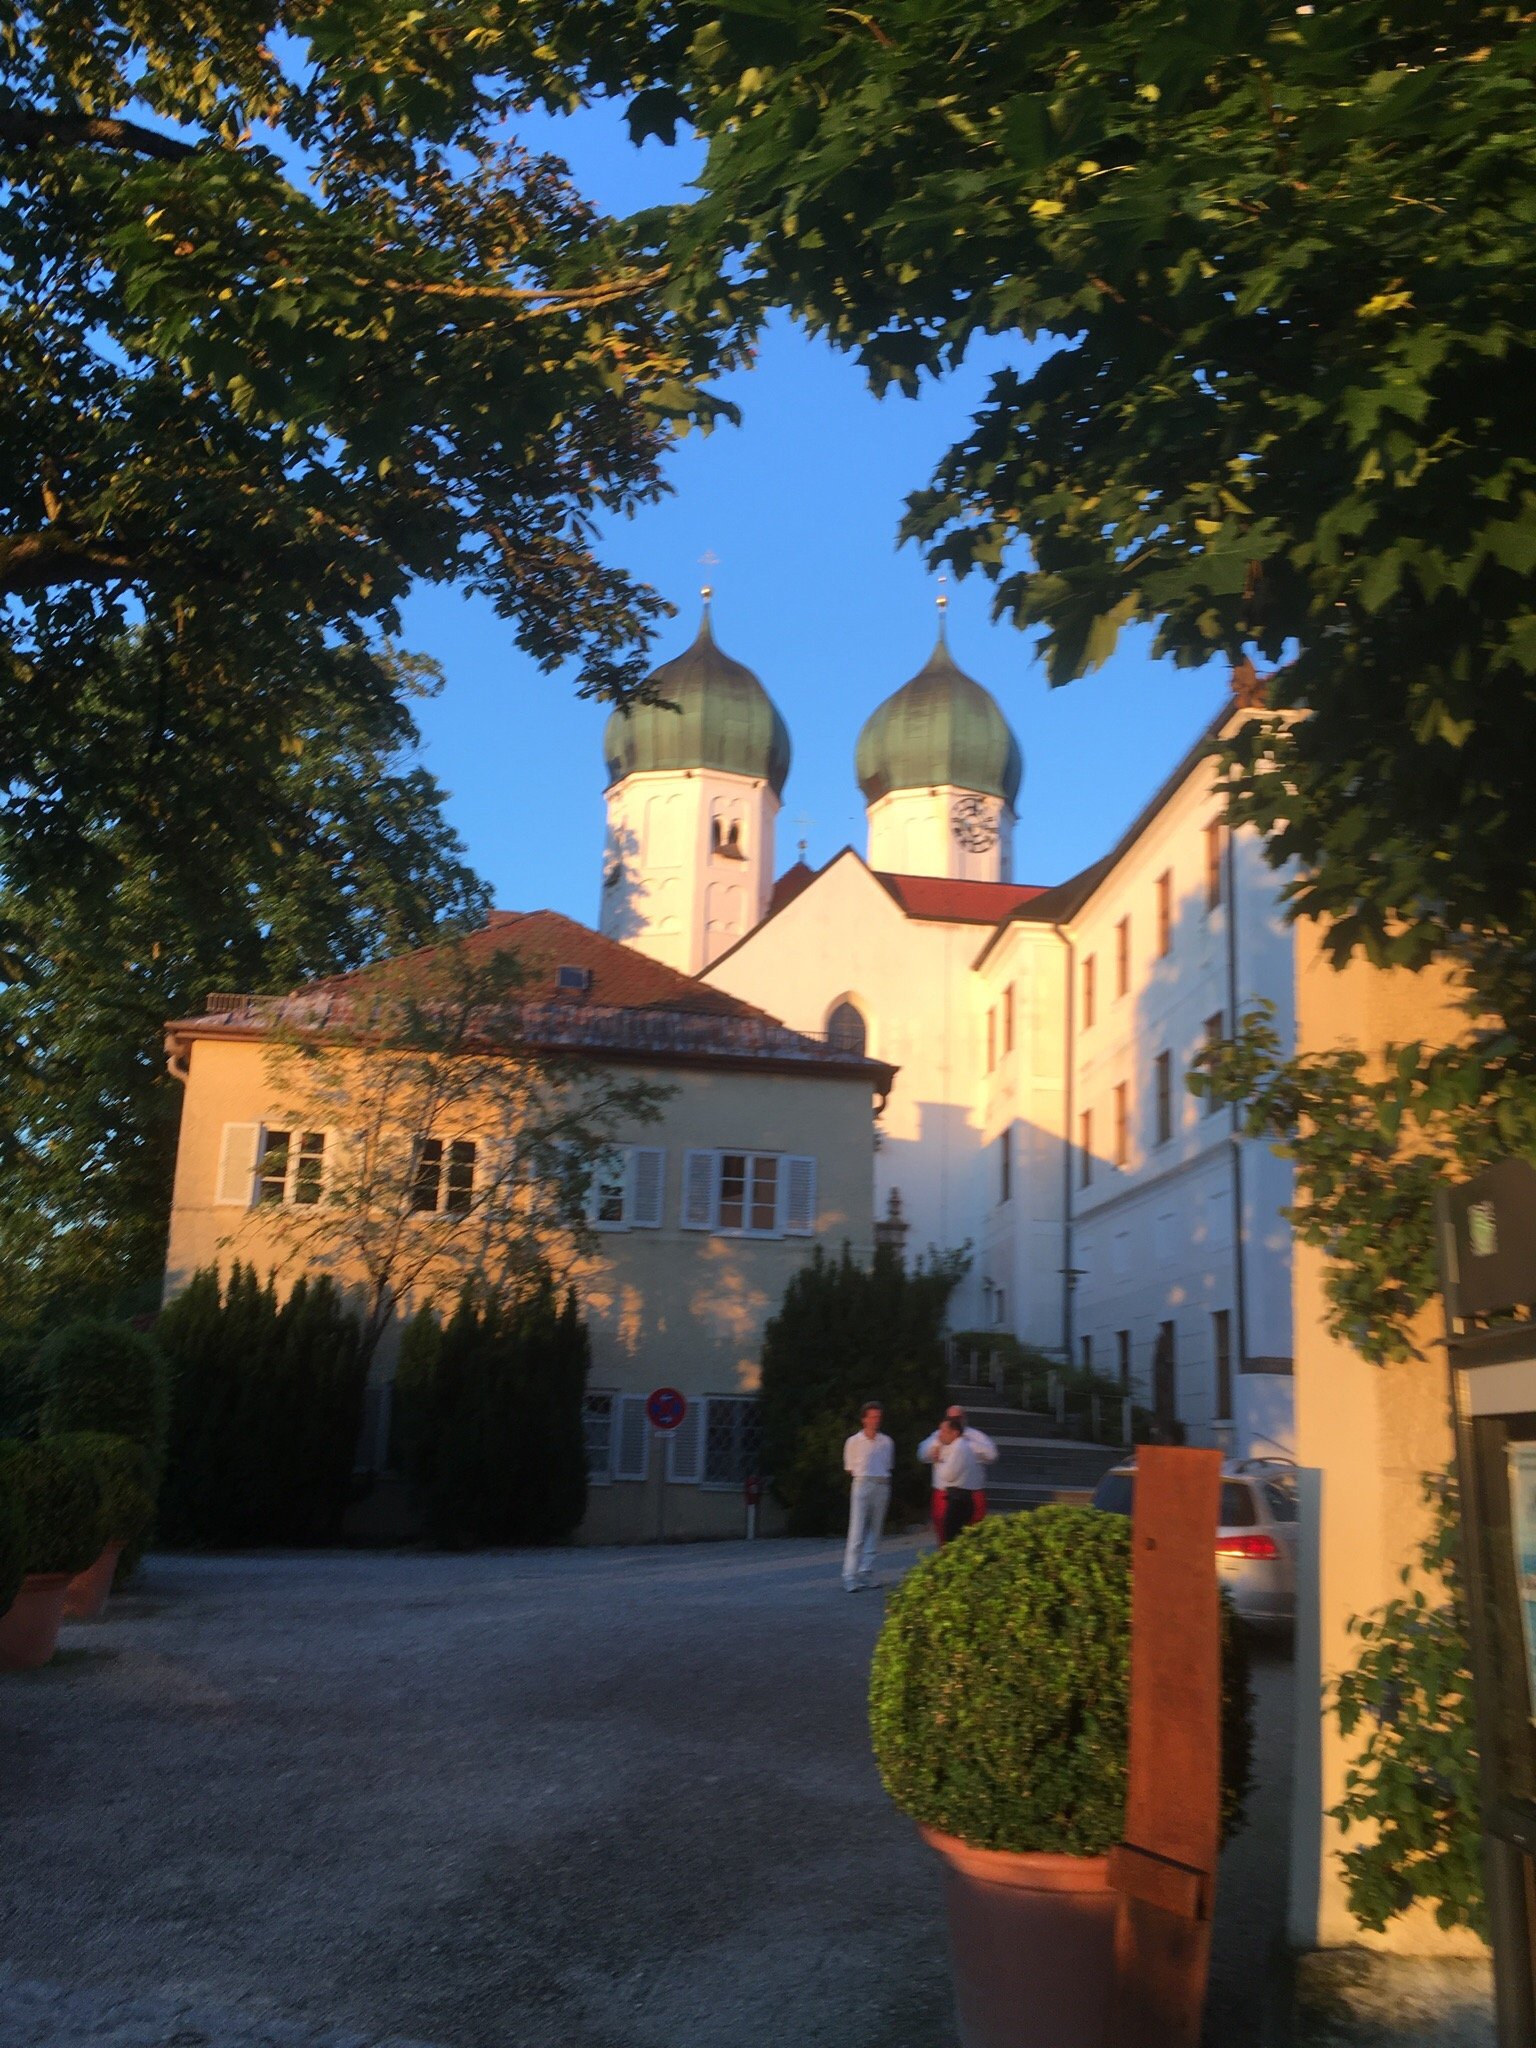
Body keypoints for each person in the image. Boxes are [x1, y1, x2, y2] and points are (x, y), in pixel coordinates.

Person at [919, 1405, 998, 1542]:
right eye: (950, 1418)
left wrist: (964, 1445)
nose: (954, 1420)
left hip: (972, 1492)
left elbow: (992, 1455)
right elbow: (922, 1454)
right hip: (944, 1493)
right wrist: (936, 1449)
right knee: (945, 1534)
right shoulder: (939, 1435)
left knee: (974, 1535)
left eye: (957, 1417)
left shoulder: (976, 1436)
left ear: (964, 1418)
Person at [842, 1400, 894, 1591]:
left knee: (875, 1529)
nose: (875, 1421)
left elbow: (888, 1466)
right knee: (856, 1531)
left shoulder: (887, 1442)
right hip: (863, 1483)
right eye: (871, 1417)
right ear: (864, 1419)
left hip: (881, 1484)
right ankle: (849, 1575)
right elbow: (850, 1468)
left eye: (878, 1417)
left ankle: (867, 1570)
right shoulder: (853, 1442)